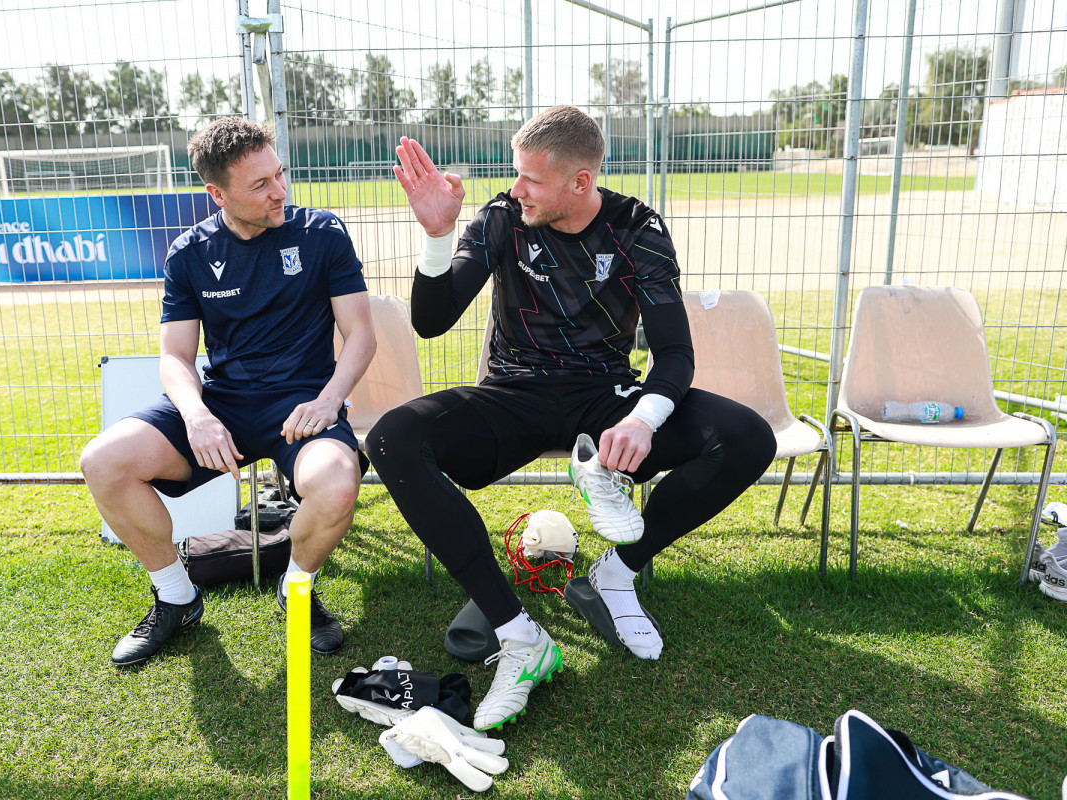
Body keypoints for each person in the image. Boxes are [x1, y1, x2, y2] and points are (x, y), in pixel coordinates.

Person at [367, 106, 774, 730]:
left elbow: (675, 354)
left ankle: (617, 574)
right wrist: (438, 236)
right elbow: (430, 321)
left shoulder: (637, 227)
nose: (517, 188)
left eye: (531, 178)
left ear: (580, 182)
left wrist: (642, 420)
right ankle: (518, 633)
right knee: (393, 437)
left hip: (605, 397)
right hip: (514, 394)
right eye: (516, 174)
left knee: (747, 437)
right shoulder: (503, 217)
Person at [80, 116, 375, 667]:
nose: (279, 191)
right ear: (217, 194)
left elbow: (361, 334)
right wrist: (196, 415)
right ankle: (176, 596)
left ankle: (297, 590)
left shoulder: (322, 233)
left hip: (304, 404)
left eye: (279, 175)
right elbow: (175, 357)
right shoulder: (189, 252)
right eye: (260, 184)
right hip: (223, 403)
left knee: (337, 485)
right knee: (103, 460)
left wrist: (330, 399)